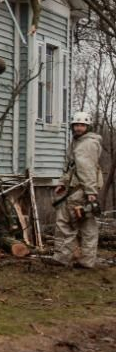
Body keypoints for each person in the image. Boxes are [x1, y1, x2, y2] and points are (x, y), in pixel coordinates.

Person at [53, 111, 105, 268]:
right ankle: (86, 260)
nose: (78, 128)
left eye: (82, 125)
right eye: (76, 125)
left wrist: (90, 192)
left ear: (88, 127)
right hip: (77, 188)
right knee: (86, 224)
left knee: (67, 222)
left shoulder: (86, 144)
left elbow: (87, 169)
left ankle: (63, 257)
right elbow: (71, 166)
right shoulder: (78, 142)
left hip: (79, 190)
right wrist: (62, 182)